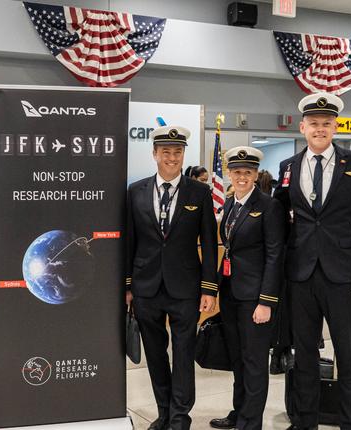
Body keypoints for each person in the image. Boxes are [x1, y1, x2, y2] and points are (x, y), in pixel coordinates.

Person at [273, 93, 351, 430]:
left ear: (335, 127)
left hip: (345, 277)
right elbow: (277, 217)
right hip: (301, 276)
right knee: (304, 355)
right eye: (314, 124)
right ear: (303, 126)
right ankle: (304, 421)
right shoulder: (288, 167)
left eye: (326, 123)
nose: (320, 129)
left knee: (349, 357)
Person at [125, 125, 218, 430]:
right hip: (146, 287)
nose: (172, 157)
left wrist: (209, 288)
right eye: (166, 151)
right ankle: (164, 412)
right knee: (154, 354)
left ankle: (180, 418)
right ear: (155, 154)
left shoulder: (199, 192)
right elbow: (130, 242)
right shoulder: (135, 191)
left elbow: (208, 242)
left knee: (182, 355)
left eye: (177, 152)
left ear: (183, 155)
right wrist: (128, 286)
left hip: (185, 289)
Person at [208, 147, 285, 430]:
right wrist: (214, 290)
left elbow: (276, 255)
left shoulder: (268, 206)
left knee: (254, 363)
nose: (242, 177)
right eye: (237, 172)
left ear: (256, 175)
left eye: (248, 172)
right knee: (238, 359)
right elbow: (228, 250)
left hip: (255, 298)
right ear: (229, 174)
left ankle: (250, 423)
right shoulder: (230, 204)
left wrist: (266, 301)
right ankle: (239, 412)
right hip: (231, 294)